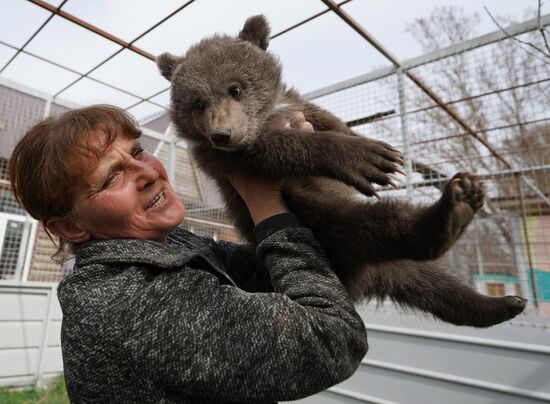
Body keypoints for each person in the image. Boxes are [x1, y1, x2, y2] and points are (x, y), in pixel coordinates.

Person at [9, 105, 369, 403]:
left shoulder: (172, 246)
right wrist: (264, 203)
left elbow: (273, 270)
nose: (147, 172)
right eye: (110, 178)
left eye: (137, 152)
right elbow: (334, 338)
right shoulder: (133, 300)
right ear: (71, 228)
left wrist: (290, 171)